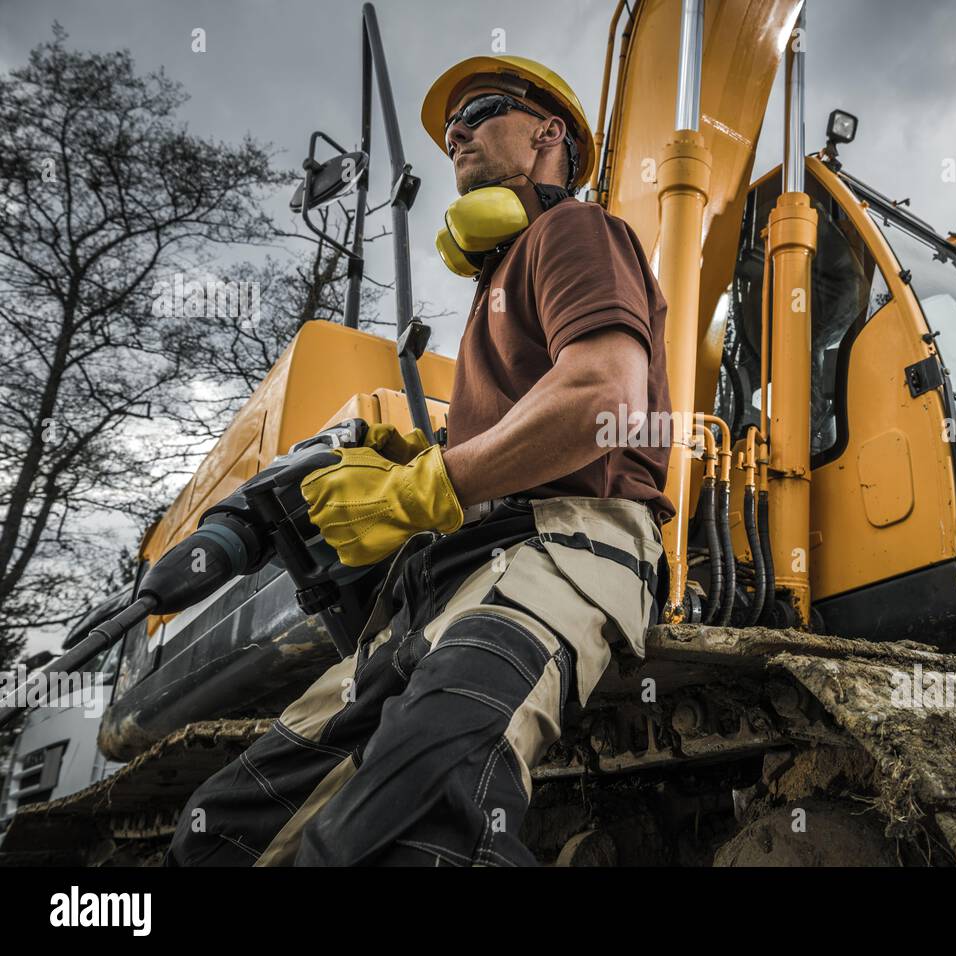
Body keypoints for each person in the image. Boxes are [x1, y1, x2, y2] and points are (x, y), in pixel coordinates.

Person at [166, 55, 674, 866]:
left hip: (564, 545)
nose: (455, 132)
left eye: (479, 109)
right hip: (449, 572)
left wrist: (426, 486)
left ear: (550, 133)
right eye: (446, 129)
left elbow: (602, 402)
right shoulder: (496, 281)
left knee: (415, 817)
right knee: (218, 833)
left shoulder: (572, 230)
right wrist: (430, 453)